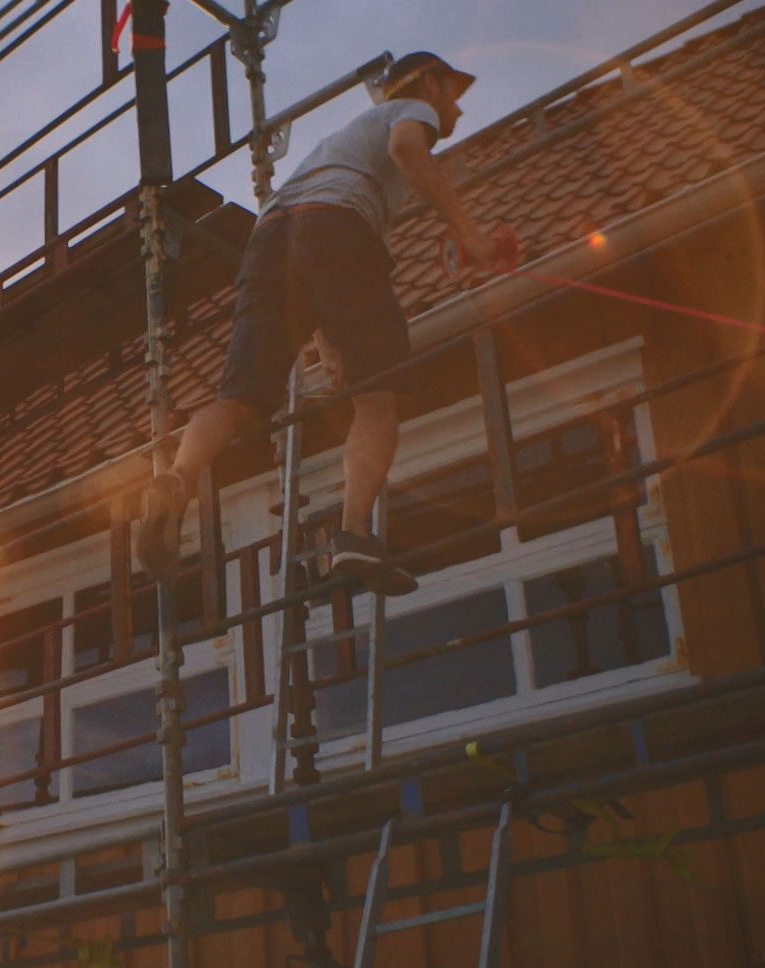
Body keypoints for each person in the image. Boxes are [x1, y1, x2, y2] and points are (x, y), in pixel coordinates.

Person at [136, 51, 514, 594]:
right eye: (453, 93)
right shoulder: (412, 111)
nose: (457, 109)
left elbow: (308, 250)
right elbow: (406, 150)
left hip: (269, 238)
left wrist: (327, 340)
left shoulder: (340, 147)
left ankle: (177, 478)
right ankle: (355, 533)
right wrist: (471, 236)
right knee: (377, 397)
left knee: (238, 398)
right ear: (429, 84)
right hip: (339, 226)